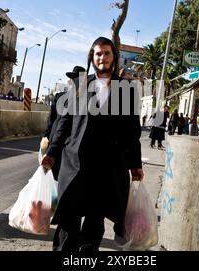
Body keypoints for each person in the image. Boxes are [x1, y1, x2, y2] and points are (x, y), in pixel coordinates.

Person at [41, 37, 143, 252]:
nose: (102, 57)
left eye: (106, 53)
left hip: (106, 168)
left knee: (94, 223)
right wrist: (52, 152)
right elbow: (64, 123)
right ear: (91, 57)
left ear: (114, 57)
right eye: (98, 53)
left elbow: (132, 131)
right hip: (75, 164)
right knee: (68, 219)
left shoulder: (127, 89)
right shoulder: (80, 85)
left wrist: (135, 164)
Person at [41, 65, 85, 180]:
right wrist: (47, 136)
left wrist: (46, 136)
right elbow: (52, 120)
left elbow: (51, 120)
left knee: (51, 175)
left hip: (62, 142)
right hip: (63, 142)